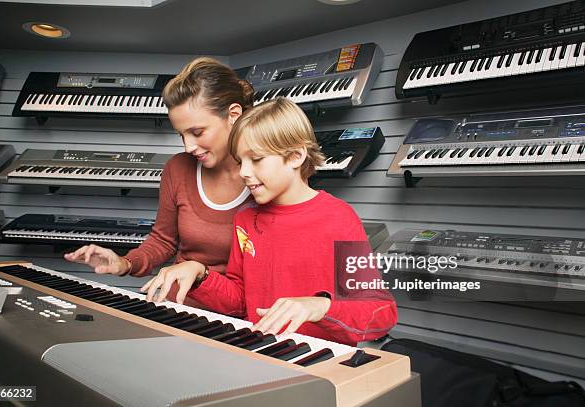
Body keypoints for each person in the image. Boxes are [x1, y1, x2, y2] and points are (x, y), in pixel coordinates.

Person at [142, 97, 397, 345]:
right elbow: (241, 303)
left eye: (257, 159)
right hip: (261, 354)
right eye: (241, 161)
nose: (243, 172)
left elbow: (380, 312)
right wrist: (200, 273)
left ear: (296, 156)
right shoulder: (245, 219)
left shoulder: (339, 218)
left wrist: (320, 306)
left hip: (316, 361)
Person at [64, 57, 255, 304]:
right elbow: (163, 240)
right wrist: (124, 263)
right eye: (181, 134)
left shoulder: (266, 176)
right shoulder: (178, 168)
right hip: (177, 305)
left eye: (197, 132)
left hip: (238, 314)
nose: (189, 147)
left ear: (233, 115)